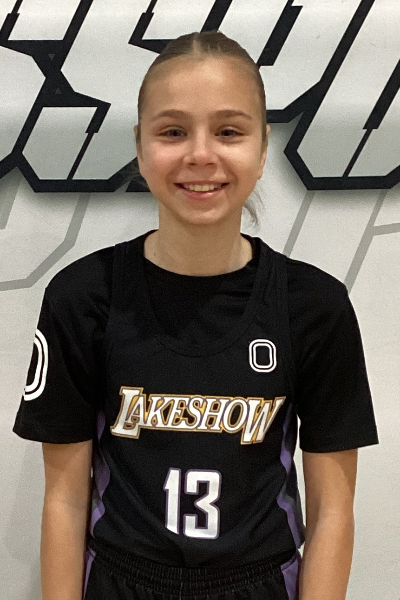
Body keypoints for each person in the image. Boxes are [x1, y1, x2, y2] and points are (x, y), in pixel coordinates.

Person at [13, 30, 379, 600]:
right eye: (173, 132)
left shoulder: (314, 307)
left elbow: (333, 511)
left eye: (229, 131)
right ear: (140, 146)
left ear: (262, 148)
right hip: (120, 582)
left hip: (261, 584)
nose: (200, 155)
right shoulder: (82, 297)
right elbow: (63, 499)